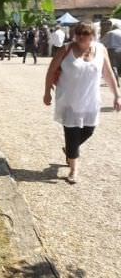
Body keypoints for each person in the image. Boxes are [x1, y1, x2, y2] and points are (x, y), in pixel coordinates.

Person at [43, 21, 121, 184]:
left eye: (84, 33)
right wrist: (47, 92)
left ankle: (70, 150)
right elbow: (51, 70)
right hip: (68, 100)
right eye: (77, 32)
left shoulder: (101, 50)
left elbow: (107, 73)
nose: (79, 36)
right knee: (72, 135)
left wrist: (117, 95)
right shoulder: (66, 49)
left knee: (89, 131)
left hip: (90, 100)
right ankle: (73, 170)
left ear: (93, 35)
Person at [101, 22, 121, 87]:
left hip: (113, 51)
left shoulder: (110, 33)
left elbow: (102, 42)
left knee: (113, 67)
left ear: (113, 27)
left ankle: (116, 82)